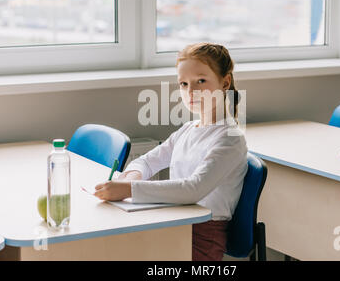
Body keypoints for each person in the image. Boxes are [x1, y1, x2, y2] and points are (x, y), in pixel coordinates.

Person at [94, 42, 248, 261]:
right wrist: (129, 178)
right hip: (176, 223)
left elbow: (193, 189)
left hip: (202, 238)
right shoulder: (188, 130)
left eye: (200, 81)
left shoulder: (230, 139)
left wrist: (129, 189)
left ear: (225, 83)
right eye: (183, 84)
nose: (191, 91)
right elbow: (146, 162)